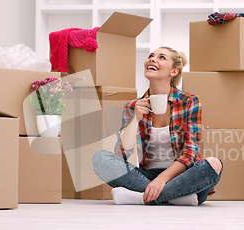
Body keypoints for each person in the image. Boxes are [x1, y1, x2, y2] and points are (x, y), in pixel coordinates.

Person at [92, 47, 223, 205]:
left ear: (173, 71)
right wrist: (136, 118)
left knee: (214, 163)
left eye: (161, 57)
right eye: (151, 56)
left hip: (183, 176)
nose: (153, 59)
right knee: (100, 158)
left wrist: (161, 181)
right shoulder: (133, 106)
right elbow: (122, 153)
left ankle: (140, 197)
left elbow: (190, 153)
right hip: (146, 176)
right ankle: (178, 198)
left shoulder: (190, 102)